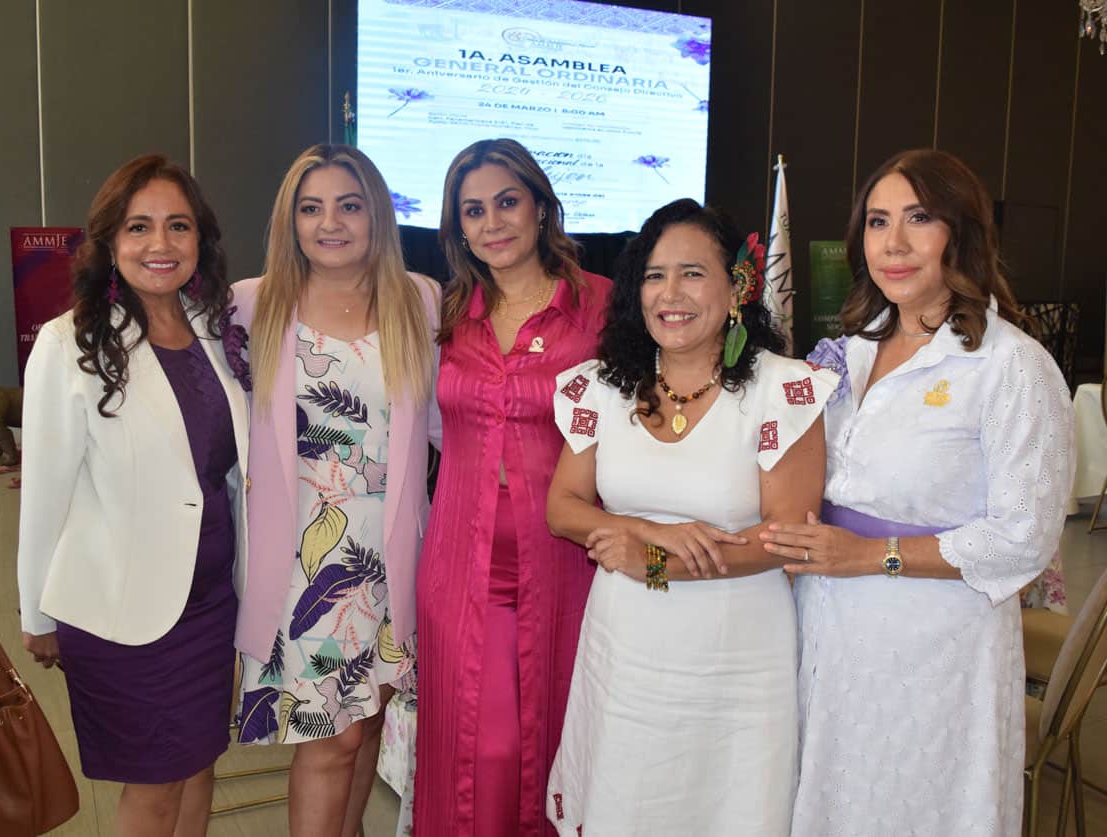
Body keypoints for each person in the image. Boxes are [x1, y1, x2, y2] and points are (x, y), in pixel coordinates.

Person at [761, 149, 1075, 836]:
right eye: (878, 222)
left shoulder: (1010, 367)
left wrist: (870, 555)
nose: (893, 243)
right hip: (829, 630)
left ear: (962, 233)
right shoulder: (850, 350)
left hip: (937, 649)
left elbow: (1023, 536)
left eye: (919, 218)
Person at [541, 198, 836, 835]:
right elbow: (563, 508)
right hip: (624, 653)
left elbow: (786, 538)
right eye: (654, 275)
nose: (670, 294)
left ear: (737, 288)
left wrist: (654, 563)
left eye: (692, 273)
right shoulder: (604, 386)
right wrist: (646, 532)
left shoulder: (783, 390)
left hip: (735, 662)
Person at [18, 153, 247, 837]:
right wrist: (37, 612)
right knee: (154, 786)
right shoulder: (69, 343)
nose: (159, 243)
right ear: (110, 242)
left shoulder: (214, 330)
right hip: (124, 610)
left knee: (200, 766)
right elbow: (45, 491)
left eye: (179, 225)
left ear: (200, 239)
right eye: (138, 226)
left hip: (212, 601)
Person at [224, 143, 439, 837]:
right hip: (304, 569)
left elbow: (445, 423)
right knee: (329, 739)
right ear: (289, 221)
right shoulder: (251, 305)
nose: (330, 223)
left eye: (349, 205)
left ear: (377, 214)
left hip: (391, 561)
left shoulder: (419, 301)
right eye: (310, 208)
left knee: (368, 720)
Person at [414, 137, 611, 837]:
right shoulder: (445, 313)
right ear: (458, 227)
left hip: (564, 561)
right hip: (459, 564)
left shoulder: (600, 307)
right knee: (478, 749)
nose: (492, 223)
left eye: (507, 202)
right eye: (473, 211)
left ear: (540, 207)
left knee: (556, 739)